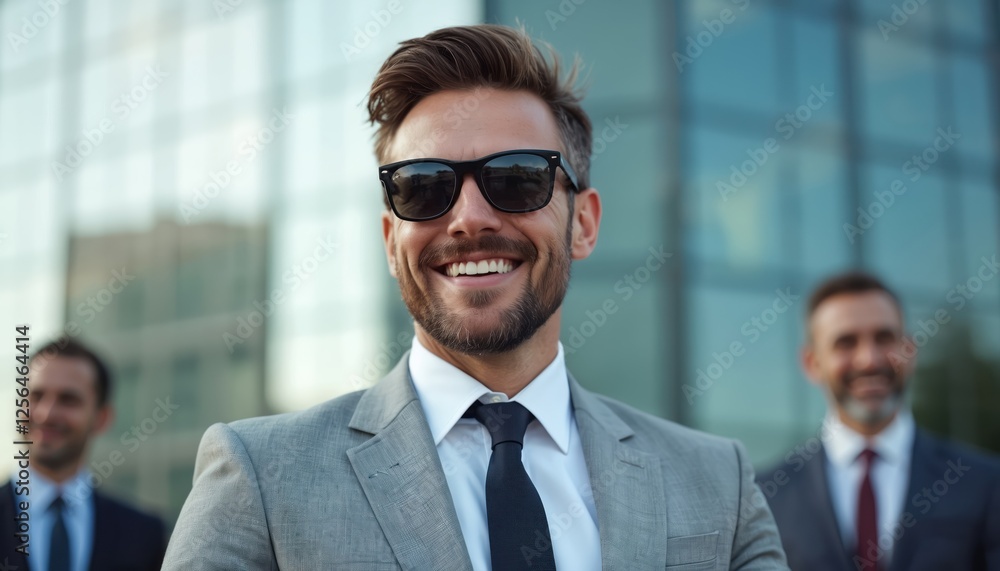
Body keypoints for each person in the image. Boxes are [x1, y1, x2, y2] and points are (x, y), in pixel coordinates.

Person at [163, 24, 787, 570]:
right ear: (391, 240)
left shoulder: (717, 484)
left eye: (517, 177)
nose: (468, 219)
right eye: (424, 186)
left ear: (585, 224)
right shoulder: (261, 478)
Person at [757, 271, 1000, 570]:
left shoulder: (984, 484)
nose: (869, 359)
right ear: (812, 363)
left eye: (884, 338)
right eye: (846, 342)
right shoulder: (765, 497)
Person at [0, 338, 166, 571]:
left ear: (102, 418)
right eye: (36, 396)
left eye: (68, 400)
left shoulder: (144, 535)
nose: (46, 414)